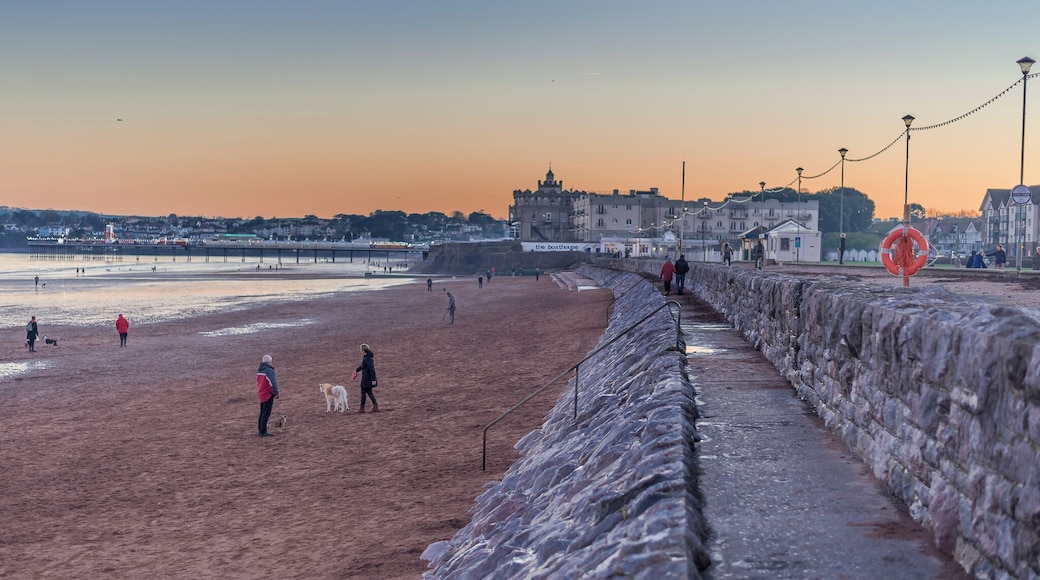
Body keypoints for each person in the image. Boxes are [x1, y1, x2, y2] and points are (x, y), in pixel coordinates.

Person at [256, 354, 279, 437]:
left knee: (262, 412)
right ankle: (263, 432)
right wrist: (276, 392)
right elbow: (272, 383)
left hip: (261, 393)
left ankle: (260, 430)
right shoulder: (269, 371)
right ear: (270, 362)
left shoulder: (259, 370)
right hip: (267, 394)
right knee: (266, 413)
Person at [351, 343, 378, 413]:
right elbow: (362, 366)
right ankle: (374, 406)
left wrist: (373, 379)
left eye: (361, 350)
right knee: (368, 392)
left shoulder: (367, 359)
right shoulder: (366, 358)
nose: (360, 351)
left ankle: (362, 408)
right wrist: (356, 370)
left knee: (364, 392)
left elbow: (372, 369)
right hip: (366, 378)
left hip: (367, 379)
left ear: (363, 350)